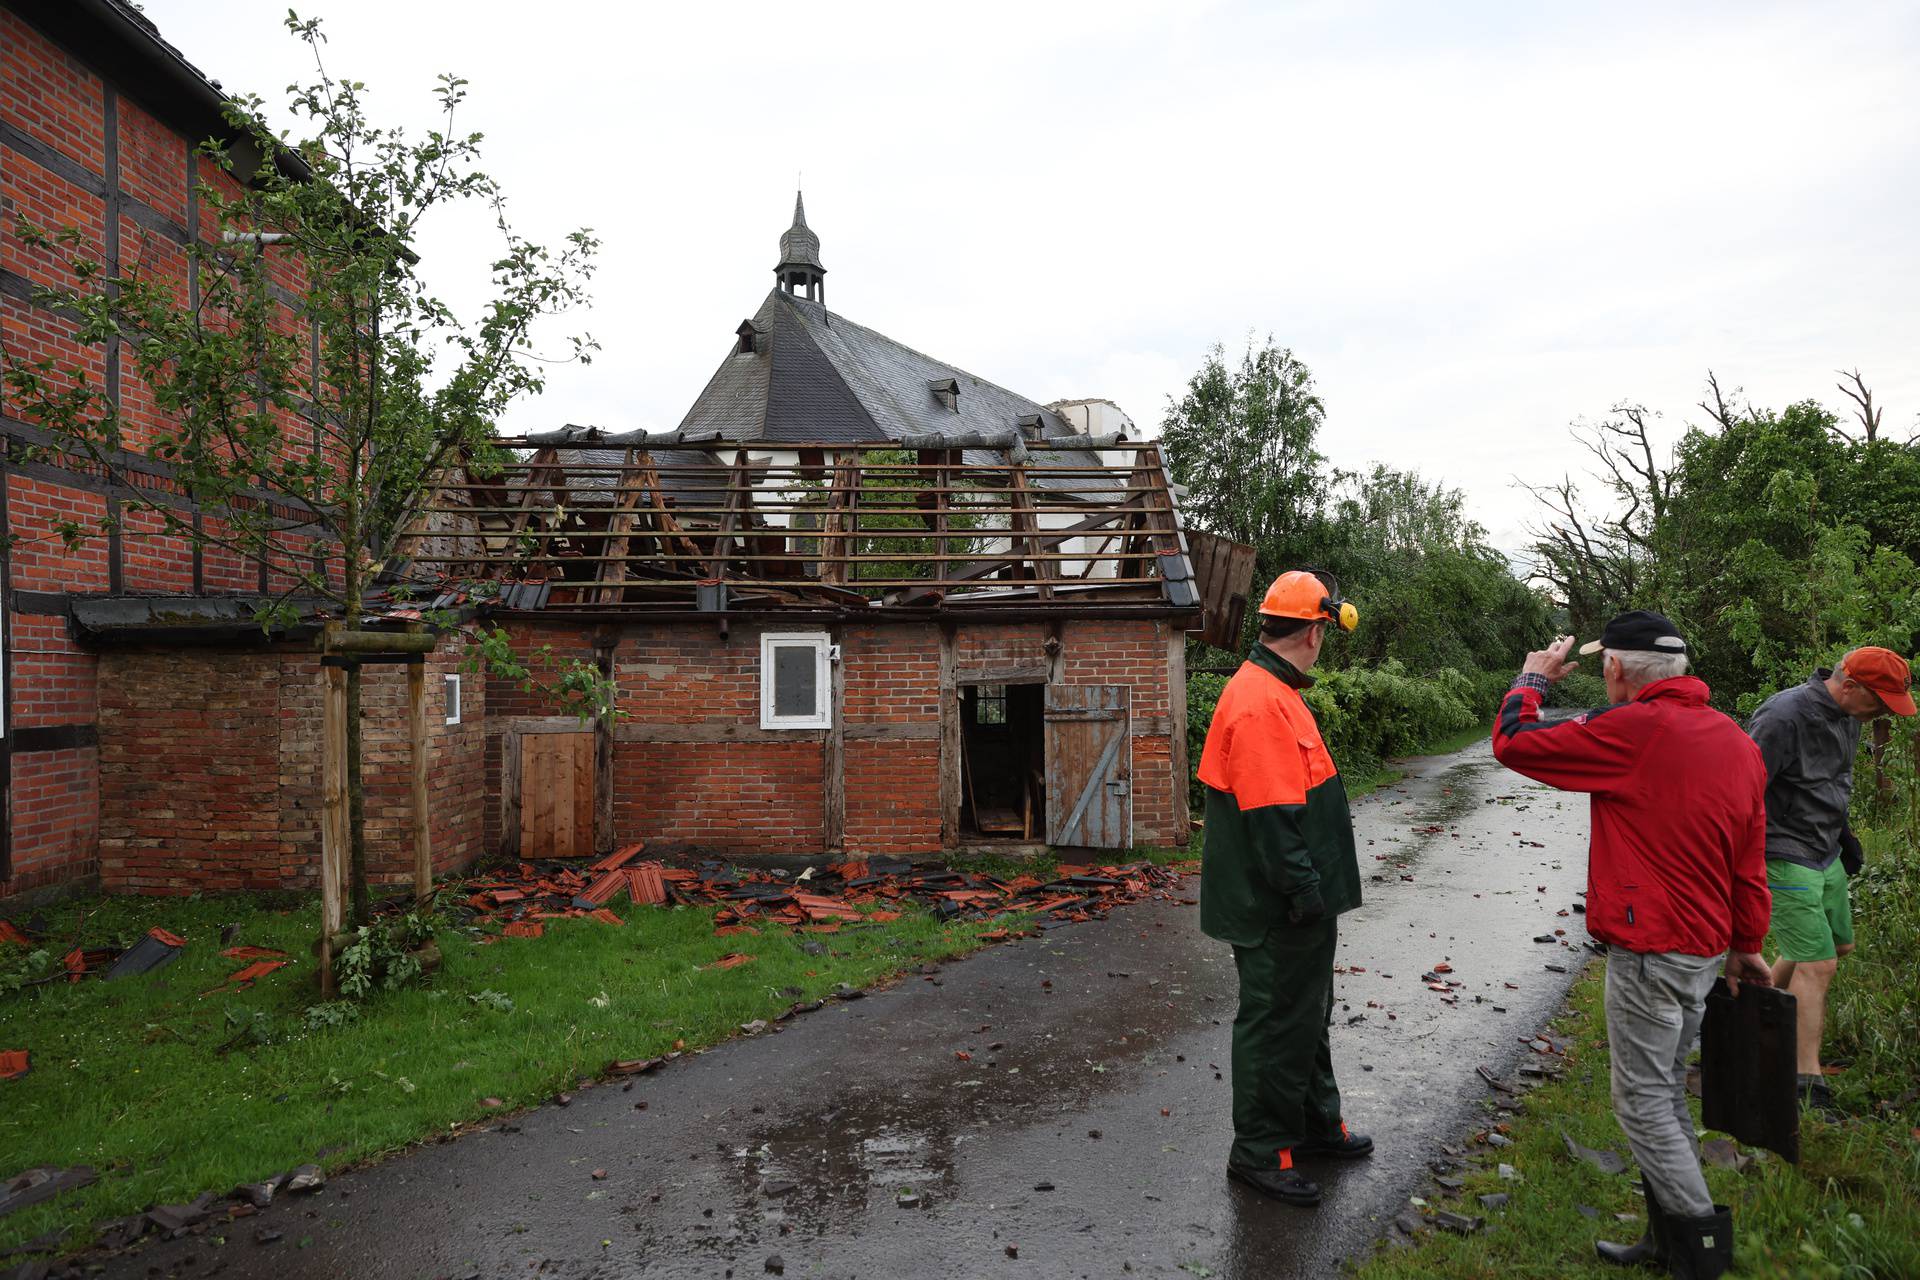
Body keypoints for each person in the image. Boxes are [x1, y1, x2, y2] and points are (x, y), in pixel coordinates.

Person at [1492, 611, 1771, 1280]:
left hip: (1653, 951)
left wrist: (1533, 677)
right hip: (1703, 950)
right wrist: (1748, 940)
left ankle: (1703, 1257)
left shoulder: (1635, 731)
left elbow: (1512, 742)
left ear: (1615, 670)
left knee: (1642, 1103)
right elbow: (1748, 854)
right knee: (1665, 1093)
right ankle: (1664, 1242)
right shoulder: (1737, 741)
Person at [1197, 570, 1371, 1209]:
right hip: (1276, 904)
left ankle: (1317, 1127)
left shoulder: (1273, 688)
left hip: (1291, 898)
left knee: (1306, 1014)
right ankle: (1260, 1154)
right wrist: (1302, 893)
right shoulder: (1262, 701)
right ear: (1316, 632)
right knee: (1276, 1022)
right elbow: (1272, 817)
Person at [1746, 646, 1915, 1114]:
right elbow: (1743, 789)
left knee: (1836, 947)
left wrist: (1844, 834)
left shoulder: (1849, 717)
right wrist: (1741, 861)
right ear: (1850, 685)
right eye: (1879, 701)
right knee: (1818, 966)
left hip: (1825, 847)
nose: (1882, 712)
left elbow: (1831, 782)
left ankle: (1755, 1011)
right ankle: (1805, 1083)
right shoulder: (1783, 715)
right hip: (1782, 849)